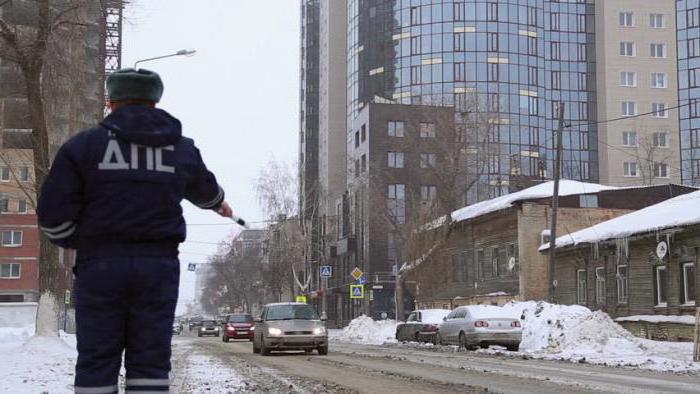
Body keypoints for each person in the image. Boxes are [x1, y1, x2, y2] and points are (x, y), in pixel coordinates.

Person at [37, 68, 232, 394]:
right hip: (158, 268)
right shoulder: (180, 149)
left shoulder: (84, 147)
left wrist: (78, 241)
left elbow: (53, 213)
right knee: (151, 361)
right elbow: (205, 190)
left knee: (97, 359)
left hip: (99, 266)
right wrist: (219, 203)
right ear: (155, 102)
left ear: (111, 101)